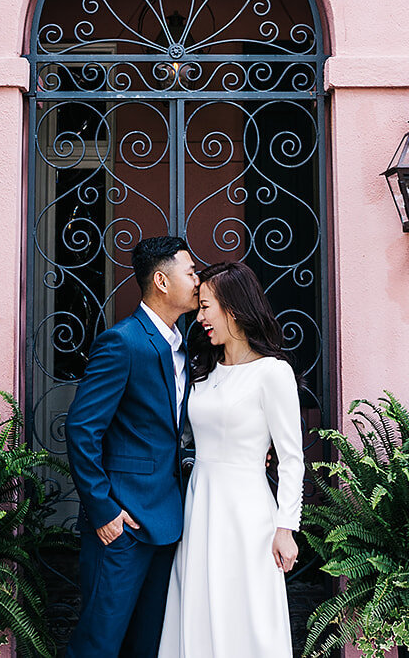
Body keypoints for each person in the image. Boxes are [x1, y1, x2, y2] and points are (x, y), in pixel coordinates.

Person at [158, 261, 304, 658]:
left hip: (248, 513)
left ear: (235, 308)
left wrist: (286, 527)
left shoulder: (272, 373)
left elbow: (291, 458)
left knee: (247, 612)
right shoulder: (202, 371)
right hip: (200, 504)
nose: (200, 316)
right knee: (199, 603)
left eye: (207, 307)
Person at [65, 236, 201, 658]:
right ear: (161, 281)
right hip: (122, 524)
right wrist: (103, 509)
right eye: (191, 272)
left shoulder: (186, 345)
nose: (199, 280)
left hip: (168, 522)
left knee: (148, 644)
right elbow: (81, 428)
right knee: (98, 643)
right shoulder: (122, 342)